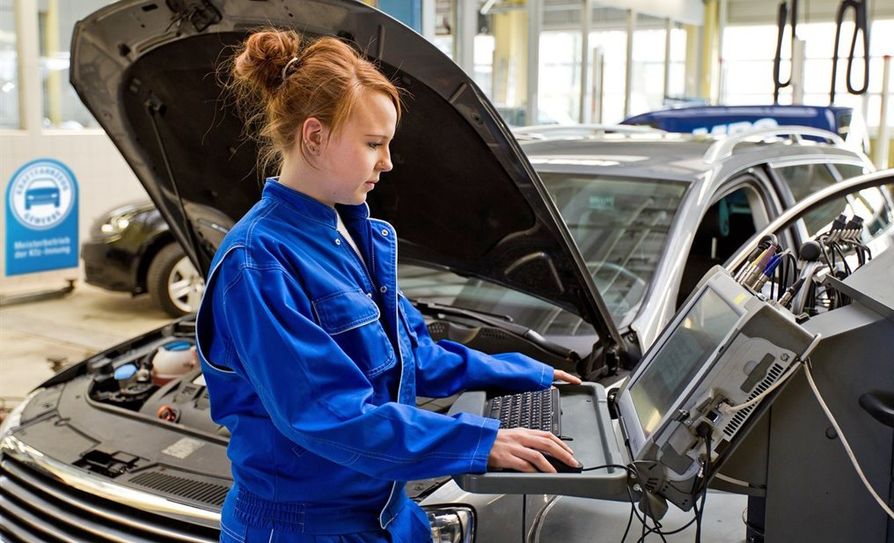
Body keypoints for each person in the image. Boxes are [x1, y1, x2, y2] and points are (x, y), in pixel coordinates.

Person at [195, 28, 581, 543]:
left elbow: (413, 355)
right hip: (304, 529)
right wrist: (479, 441)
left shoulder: (354, 236)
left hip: (386, 513)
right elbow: (328, 414)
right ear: (314, 136)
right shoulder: (257, 262)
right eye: (374, 144)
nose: (388, 162)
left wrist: (527, 374)